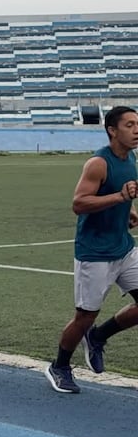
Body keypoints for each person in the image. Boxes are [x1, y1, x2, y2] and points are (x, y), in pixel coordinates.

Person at [45, 105, 138, 394]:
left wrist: (128, 210)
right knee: (84, 315)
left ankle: (98, 337)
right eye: (130, 124)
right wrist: (118, 197)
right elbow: (79, 203)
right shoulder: (98, 163)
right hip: (95, 253)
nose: (137, 129)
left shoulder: (131, 157)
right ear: (112, 130)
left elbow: (119, 196)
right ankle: (59, 365)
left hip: (123, 247)